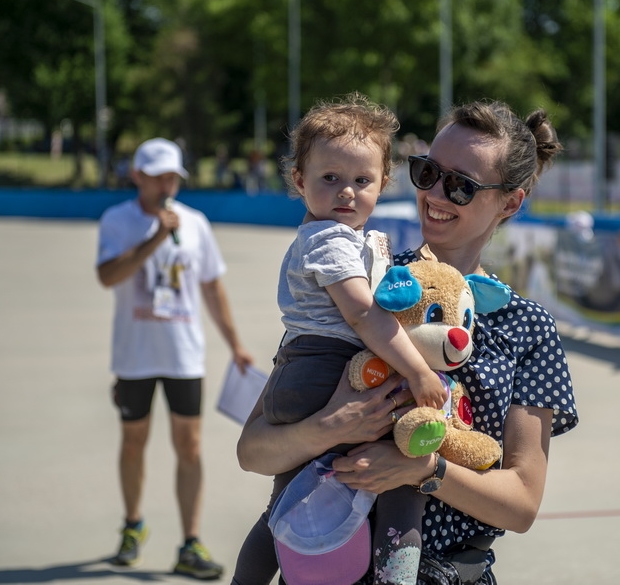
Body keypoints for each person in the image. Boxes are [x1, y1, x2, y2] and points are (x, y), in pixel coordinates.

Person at [232, 100, 579, 585]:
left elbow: (521, 504)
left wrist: (420, 469)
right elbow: (253, 450)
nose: (436, 193)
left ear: (510, 202)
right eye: (427, 172)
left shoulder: (527, 328)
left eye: (461, 185)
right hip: (328, 564)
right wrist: (330, 427)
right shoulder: (364, 281)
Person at [233, 93, 448, 585]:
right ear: (299, 181)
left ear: (382, 184)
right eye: (330, 178)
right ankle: (398, 573)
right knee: (403, 477)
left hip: (304, 372)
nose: (346, 192)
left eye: (361, 180)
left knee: (286, 506)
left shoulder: (342, 237)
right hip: (325, 372)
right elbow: (363, 315)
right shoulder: (330, 239)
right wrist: (417, 372)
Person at [96, 137, 254, 579]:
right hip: (135, 356)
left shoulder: (196, 223)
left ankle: (190, 542)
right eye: (159, 176)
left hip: (185, 354)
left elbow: (211, 287)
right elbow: (108, 276)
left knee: (190, 447)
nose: (169, 184)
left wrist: (235, 343)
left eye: (174, 176)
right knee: (133, 442)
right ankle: (132, 527)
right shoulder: (118, 220)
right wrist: (155, 238)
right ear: (137, 176)